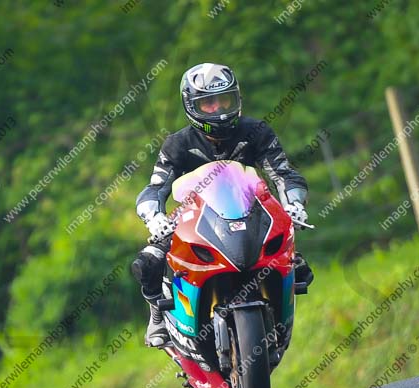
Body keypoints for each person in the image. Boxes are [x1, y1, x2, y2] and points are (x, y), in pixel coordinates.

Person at [132, 63, 314, 347]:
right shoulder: (177, 144)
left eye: (224, 100)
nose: (218, 109)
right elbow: (155, 188)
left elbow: (284, 174)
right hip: (194, 217)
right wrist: (154, 218)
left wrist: (294, 204)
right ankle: (157, 313)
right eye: (207, 103)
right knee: (148, 260)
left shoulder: (257, 131)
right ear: (191, 106)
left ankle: (282, 296)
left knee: (294, 253)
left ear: (237, 98)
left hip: (251, 210)